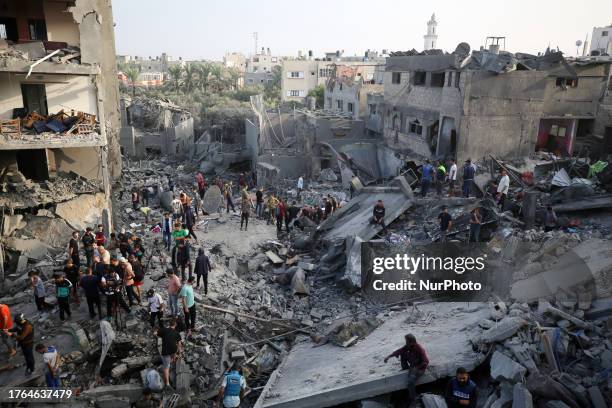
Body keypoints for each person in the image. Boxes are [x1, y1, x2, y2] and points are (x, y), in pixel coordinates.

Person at [384, 334, 429, 405]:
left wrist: (416, 368)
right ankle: (405, 368)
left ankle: (414, 399)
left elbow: (426, 362)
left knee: (410, 382)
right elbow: (399, 350)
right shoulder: (408, 347)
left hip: (419, 368)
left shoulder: (419, 349)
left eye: (407, 341)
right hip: (413, 366)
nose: (406, 343)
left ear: (411, 342)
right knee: (402, 353)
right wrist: (389, 356)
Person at [157, 318, 182, 389]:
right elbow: (179, 344)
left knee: (166, 367)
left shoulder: (164, 330)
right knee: (174, 351)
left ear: (169, 324)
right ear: (175, 325)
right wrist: (180, 353)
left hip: (166, 351)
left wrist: (161, 335)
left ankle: (167, 383)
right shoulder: (177, 332)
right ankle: (173, 360)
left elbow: (156, 333)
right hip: (173, 350)